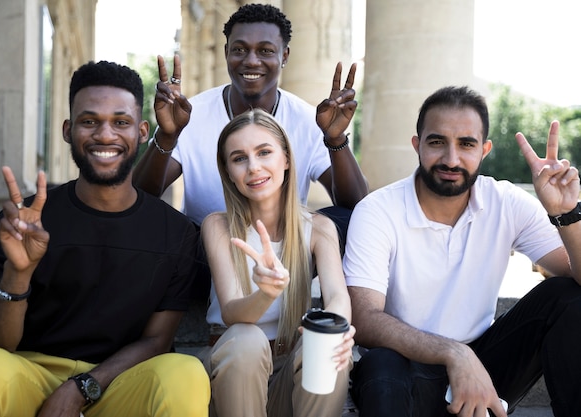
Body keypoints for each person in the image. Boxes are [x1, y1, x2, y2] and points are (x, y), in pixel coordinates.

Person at [0, 61, 210, 416]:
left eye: (120, 122)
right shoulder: (23, 223)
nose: (105, 135)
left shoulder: (176, 232)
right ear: (67, 130)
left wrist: (82, 388)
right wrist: (19, 272)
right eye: (89, 121)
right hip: (32, 375)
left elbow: (157, 340)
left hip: (121, 382)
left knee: (185, 374)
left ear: (140, 131)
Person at [344, 86, 581, 417]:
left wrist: (566, 214)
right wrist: (454, 353)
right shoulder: (378, 210)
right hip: (404, 367)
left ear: (484, 150)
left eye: (466, 144)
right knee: (380, 363)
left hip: (486, 365)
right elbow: (364, 317)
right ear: (418, 145)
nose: (451, 159)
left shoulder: (506, 202)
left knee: (568, 297)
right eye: (437, 142)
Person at [133, 3, 368, 298]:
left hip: (285, 254)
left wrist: (335, 139)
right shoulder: (191, 114)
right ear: (226, 53)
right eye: (240, 49)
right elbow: (141, 196)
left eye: (266, 51)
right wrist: (168, 136)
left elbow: (355, 204)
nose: (251, 60)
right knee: (153, 222)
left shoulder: (308, 119)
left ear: (284, 56)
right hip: (209, 256)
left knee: (347, 222)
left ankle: (277, 286)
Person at [200, 108, 356, 417]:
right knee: (247, 340)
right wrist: (265, 293)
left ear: (286, 159)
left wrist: (338, 329)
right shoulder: (218, 226)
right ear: (228, 171)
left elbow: (338, 296)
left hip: (289, 370)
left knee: (327, 347)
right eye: (239, 158)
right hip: (232, 377)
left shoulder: (318, 228)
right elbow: (232, 312)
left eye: (264, 152)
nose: (253, 167)